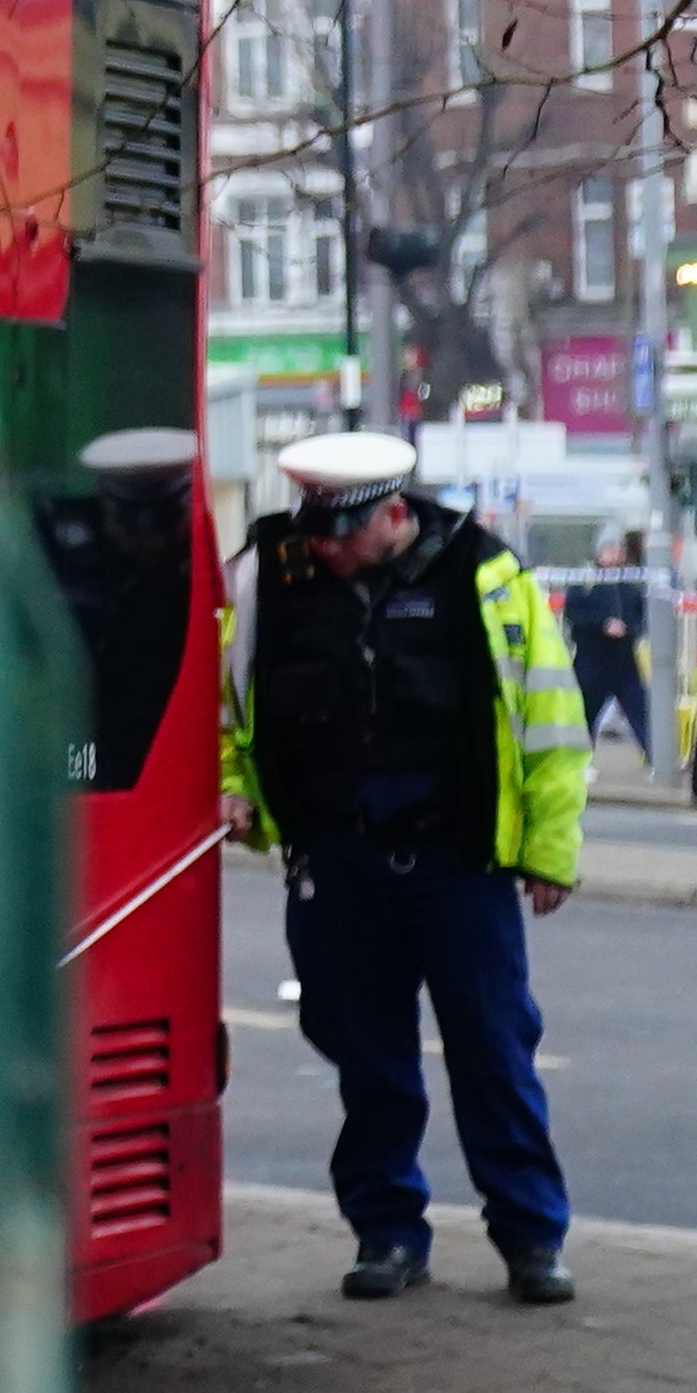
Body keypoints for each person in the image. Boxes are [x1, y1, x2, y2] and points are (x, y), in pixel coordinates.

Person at [220, 434, 587, 1305]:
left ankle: (532, 1239)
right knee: (367, 1057)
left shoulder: (483, 574)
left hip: (459, 860)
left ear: (393, 514)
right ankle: (387, 1234)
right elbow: (228, 705)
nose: (323, 548)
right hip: (338, 858)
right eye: (316, 530)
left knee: (493, 1051)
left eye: (340, 532)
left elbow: (551, 722)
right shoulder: (267, 577)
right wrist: (234, 794)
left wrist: (548, 853)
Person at [565, 527, 662, 759]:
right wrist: (602, 625)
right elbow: (575, 614)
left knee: (640, 710)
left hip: (623, 659)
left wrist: (630, 630)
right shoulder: (585, 580)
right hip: (592, 658)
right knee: (585, 714)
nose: (615, 554)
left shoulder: (629, 581)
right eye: (610, 549)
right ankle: (581, 760)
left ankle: (655, 759)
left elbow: (640, 615)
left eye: (618, 549)